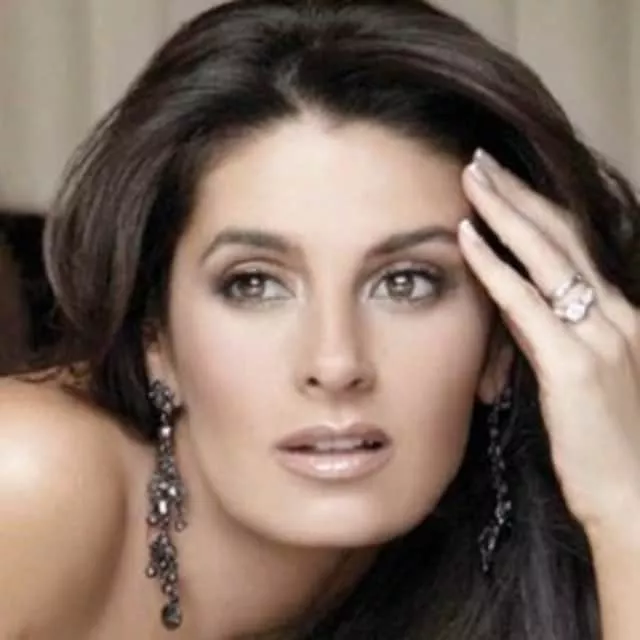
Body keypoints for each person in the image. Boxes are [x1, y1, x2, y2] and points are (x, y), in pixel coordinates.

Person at [1, 0, 639, 637]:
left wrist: (623, 506)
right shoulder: (27, 477)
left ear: (503, 341)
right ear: (155, 337)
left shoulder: (522, 570)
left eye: (405, 283)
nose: (335, 365)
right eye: (254, 284)